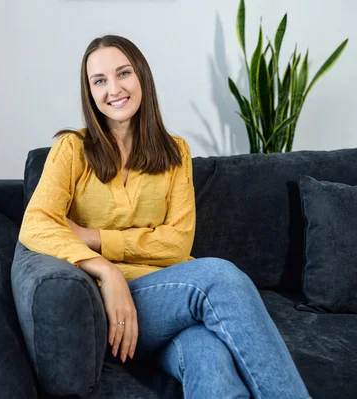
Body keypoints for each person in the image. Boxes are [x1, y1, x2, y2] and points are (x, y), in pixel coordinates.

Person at [18, 35, 310, 399]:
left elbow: (177, 243)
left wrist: (95, 237)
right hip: (110, 307)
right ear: (89, 92)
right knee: (220, 277)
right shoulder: (72, 149)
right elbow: (36, 224)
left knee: (209, 356)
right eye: (99, 80)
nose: (114, 89)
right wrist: (106, 271)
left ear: (141, 76)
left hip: (170, 304)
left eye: (123, 73)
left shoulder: (175, 152)